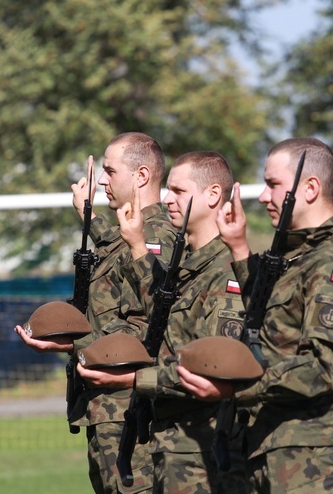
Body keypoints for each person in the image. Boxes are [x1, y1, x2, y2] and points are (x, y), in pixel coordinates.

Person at [178, 137, 333, 493]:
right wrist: (240, 248)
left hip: (314, 454)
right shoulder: (298, 256)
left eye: (273, 185)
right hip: (273, 445)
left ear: (309, 188)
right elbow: (274, 323)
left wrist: (235, 388)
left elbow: (323, 368)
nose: (263, 197)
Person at [76, 151, 250, 493]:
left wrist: (137, 378)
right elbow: (161, 318)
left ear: (213, 195)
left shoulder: (225, 272)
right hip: (172, 444)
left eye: (179, 191)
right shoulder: (186, 265)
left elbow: (211, 368)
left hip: (205, 451)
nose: (168, 199)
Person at [15, 132, 176, 494]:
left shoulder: (154, 240)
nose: (101, 180)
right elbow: (116, 259)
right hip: (107, 409)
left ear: (141, 176)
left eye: (109, 170)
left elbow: (152, 326)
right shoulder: (128, 236)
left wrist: (71, 345)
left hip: (129, 411)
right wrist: (86, 214)